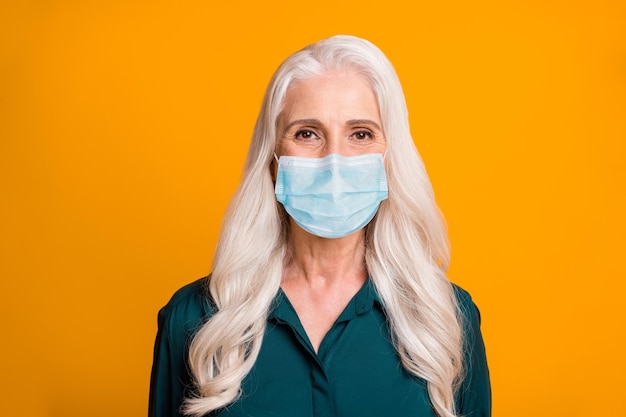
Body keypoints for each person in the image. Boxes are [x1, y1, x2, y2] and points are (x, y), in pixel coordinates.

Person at [149, 35, 491, 417]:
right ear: (273, 157)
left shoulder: (445, 318)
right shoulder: (196, 319)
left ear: (390, 155)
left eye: (360, 134)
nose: (334, 161)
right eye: (306, 133)